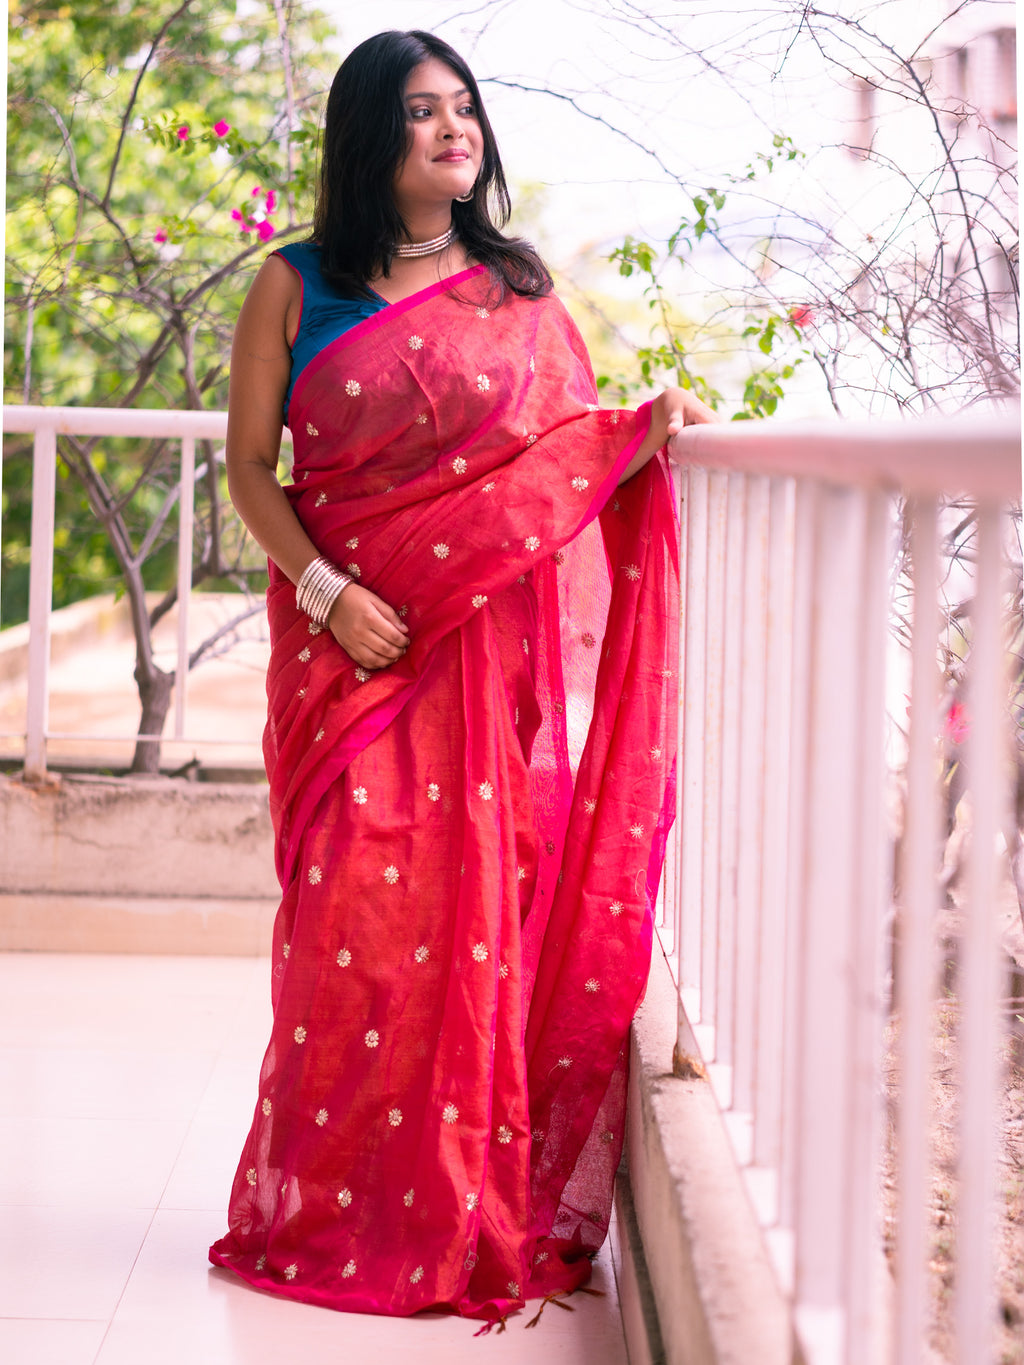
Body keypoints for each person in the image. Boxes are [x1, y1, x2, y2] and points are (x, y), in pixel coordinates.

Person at [209, 28, 717, 1327]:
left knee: (463, 924)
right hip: (341, 647)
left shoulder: (517, 290)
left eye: (465, 109)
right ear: (369, 133)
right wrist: (329, 592)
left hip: (471, 654)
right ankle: (331, 1208)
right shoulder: (293, 284)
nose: (455, 130)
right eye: (423, 110)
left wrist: (641, 428)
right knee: (351, 926)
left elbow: (556, 453)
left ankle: (444, 1201)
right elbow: (251, 470)